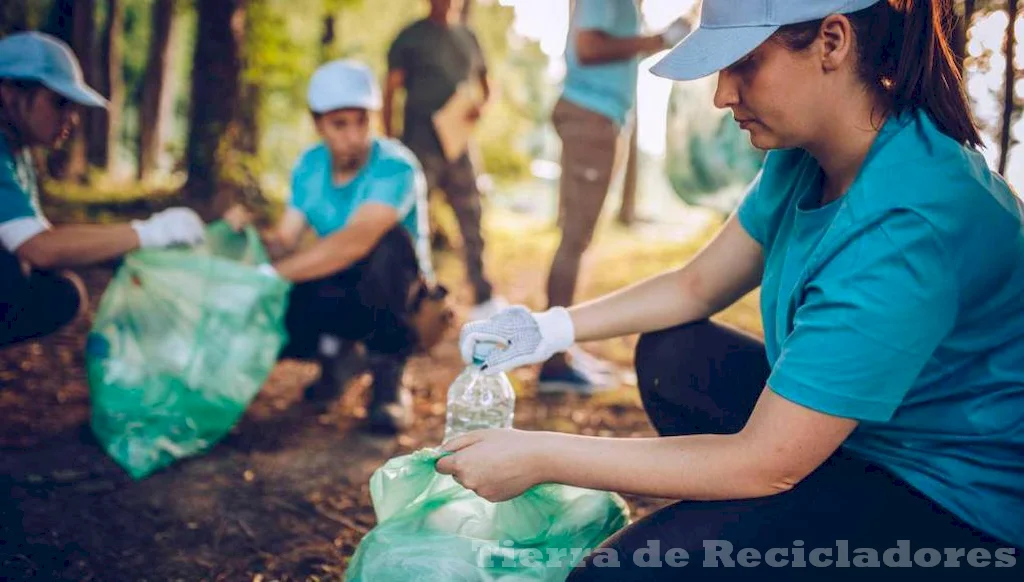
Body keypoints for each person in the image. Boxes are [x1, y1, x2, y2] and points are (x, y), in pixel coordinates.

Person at [442, 0, 1024, 577]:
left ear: (832, 41)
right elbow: (695, 286)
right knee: (674, 353)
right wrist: (548, 329)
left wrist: (542, 455)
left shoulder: (909, 222)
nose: (722, 95)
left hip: (954, 507)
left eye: (745, 62)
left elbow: (764, 463)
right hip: (859, 439)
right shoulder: (806, 155)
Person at [226, 60, 452, 435]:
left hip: (401, 298)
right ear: (318, 125)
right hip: (343, 285)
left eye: (362, 121)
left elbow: (357, 240)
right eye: (339, 124)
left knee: (386, 245)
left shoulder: (396, 166)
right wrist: (245, 237)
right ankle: (335, 359)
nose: (354, 135)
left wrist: (273, 273)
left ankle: (387, 382)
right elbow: (285, 240)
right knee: (302, 272)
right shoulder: (310, 165)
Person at [1, 32, 206, 350]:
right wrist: (148, 232)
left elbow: (43, 237)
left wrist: (134, 255)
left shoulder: (17, 153)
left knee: (56, 291)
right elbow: (39, 249)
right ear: (9, 92)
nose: (71, 119)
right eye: (59, 103)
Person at [540, 0, 690, 393]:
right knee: (574, 239)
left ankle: (562, 348)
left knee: (580, 238)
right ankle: (553, 363)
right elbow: (588, 47)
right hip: (591, 114)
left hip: (600, 115)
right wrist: (660, 39)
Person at [383, 0, 506, 321]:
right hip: (418, 141)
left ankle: (481, 294)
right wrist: (390, 141)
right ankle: (406, 298)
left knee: (472, 215)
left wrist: (482, 106)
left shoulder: (468, 36)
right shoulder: (410, 37)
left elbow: (487, 85)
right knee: (411, 221)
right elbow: (390, 90)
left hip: (458, 142)